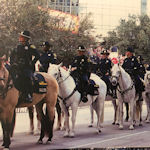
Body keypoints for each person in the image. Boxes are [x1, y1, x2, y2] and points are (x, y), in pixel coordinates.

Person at [10, 30, 40, 103]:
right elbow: (12, 56)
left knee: (27, 78)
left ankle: (28, 95)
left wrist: (32, 63)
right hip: (18, 67)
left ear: (26, 39)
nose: (20, 38)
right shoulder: (18, 47)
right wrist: (13, 63)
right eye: (20, 37)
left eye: (22, 37)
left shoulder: (31, 47)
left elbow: (37, 55)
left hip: (27, 67)